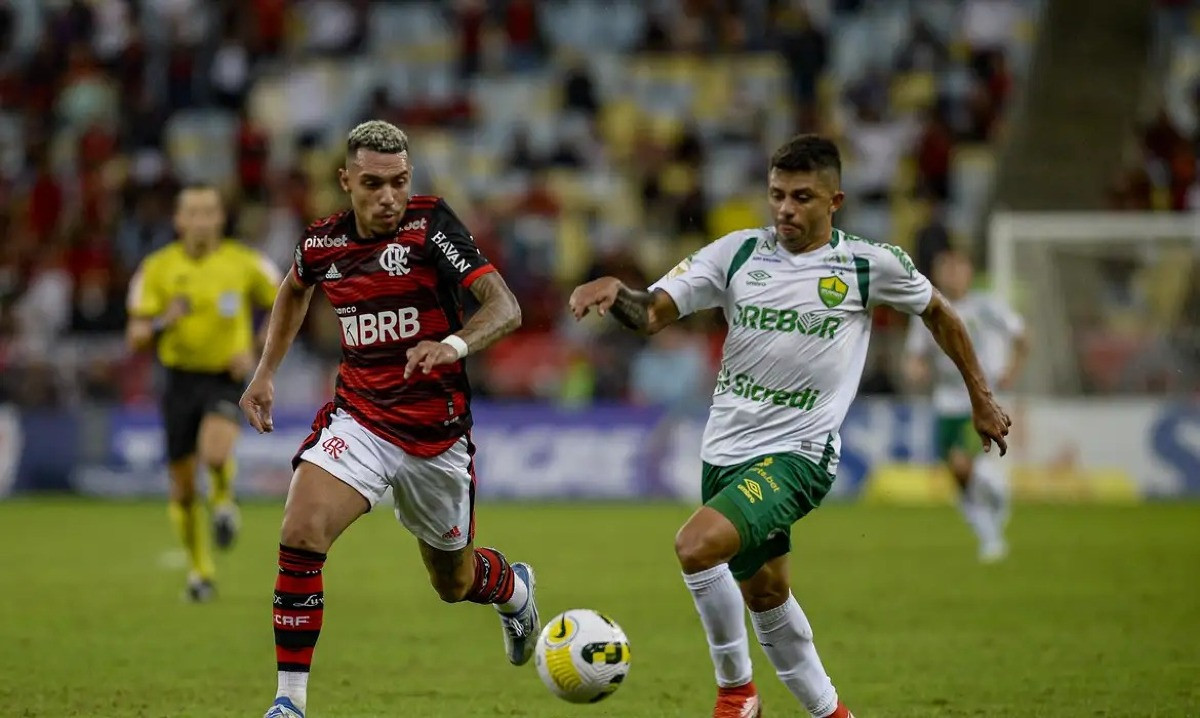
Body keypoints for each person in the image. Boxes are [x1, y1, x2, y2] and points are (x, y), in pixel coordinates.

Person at [568, 134, 1011, 718]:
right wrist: (616, 292)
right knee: (769, 599)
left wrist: (981, 396)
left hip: (799, 455)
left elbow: (940, 313)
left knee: (696, 547)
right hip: (724, 452)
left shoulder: (866, 265)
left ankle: (736, 694)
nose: (785, 209)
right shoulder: (737, 254)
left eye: (802, 197)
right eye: (777, 195)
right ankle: (833, 713)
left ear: (836, 201)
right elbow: (652, 312)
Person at [239, 120, 536, 718]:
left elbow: (504, 306)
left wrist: (451, 346)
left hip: (436, 435)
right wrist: (265, 370)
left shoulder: (432, 226)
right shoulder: (323, 243)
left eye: (400, 182)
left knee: (451, 583)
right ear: (346, 180)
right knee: (300, 532)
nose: (388, 197)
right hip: (362, 418)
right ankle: (288, 703)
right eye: (373, 184)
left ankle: (513, 589)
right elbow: (294, 289)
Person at [126, 184, 280, 601]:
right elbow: (135, 334)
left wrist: (256, 349)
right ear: (178, 220)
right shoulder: (157, 268)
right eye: (191, 213)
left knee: (214, 453)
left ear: (219, 218)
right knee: (182, 489)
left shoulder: (244, 262)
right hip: (178, 381)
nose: (200, 220)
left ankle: (225, 501)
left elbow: (288, 298)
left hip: (225, 377)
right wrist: (163, 321)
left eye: (208, 212)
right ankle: (200, 572)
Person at [904, 248, 1026, 562]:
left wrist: (1011, 371)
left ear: (969, 272)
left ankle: (997, 497)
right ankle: (990, 535)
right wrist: (916, 369)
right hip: (945, 401)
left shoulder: (986, 307)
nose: (952, 275)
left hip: (979, 399)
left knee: (964, 465)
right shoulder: (928, 311)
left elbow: (1023, 338)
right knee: (958, 476)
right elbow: (915, 356)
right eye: (946, 269)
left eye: (958, 268)